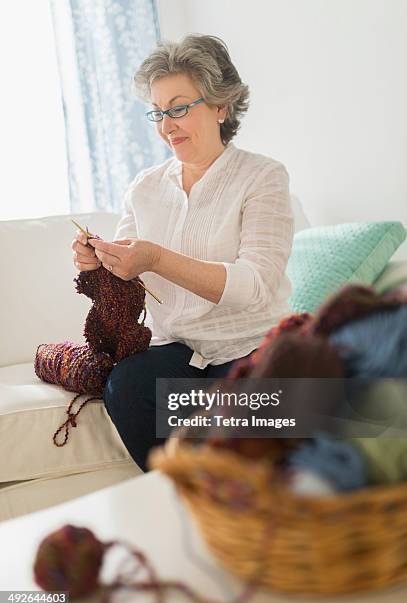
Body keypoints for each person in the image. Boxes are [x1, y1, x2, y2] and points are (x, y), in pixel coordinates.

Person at [71, 34, 294, 471]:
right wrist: (99, 261)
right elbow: (128, 276)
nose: (166, 125)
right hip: (177, 349)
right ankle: (182, 503)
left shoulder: (263, 176)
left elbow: (256, 285)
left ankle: (226, 502)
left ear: (220, 106)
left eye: (178, 108)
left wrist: (156, 258)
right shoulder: (146, 187)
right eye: (157, 112)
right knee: (128, 385)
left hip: (249, 345)